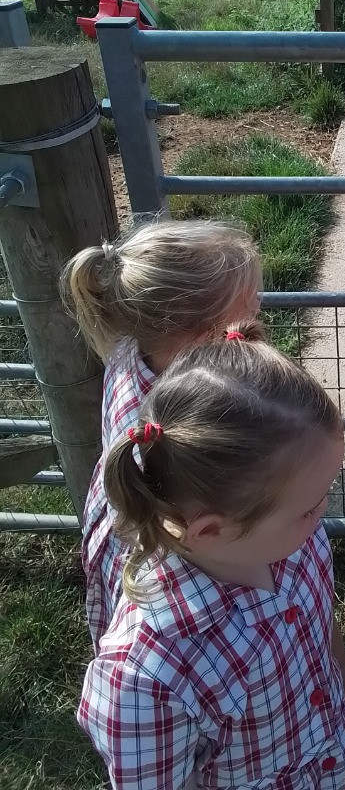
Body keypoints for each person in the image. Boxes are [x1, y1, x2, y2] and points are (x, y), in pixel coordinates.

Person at [77, 326, 345, 790]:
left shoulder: (295, 543)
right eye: (309, 507)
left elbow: (317, 615)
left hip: (334, 744)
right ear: (212, 530)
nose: (322, 517)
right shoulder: (145, 678)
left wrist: (340, 663)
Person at [61, 218, 264, 649]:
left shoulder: (130, 350)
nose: (259, 309)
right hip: (190, 570)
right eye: (250, 302)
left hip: (139, 534)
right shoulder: (202, 417)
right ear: (205, 335)